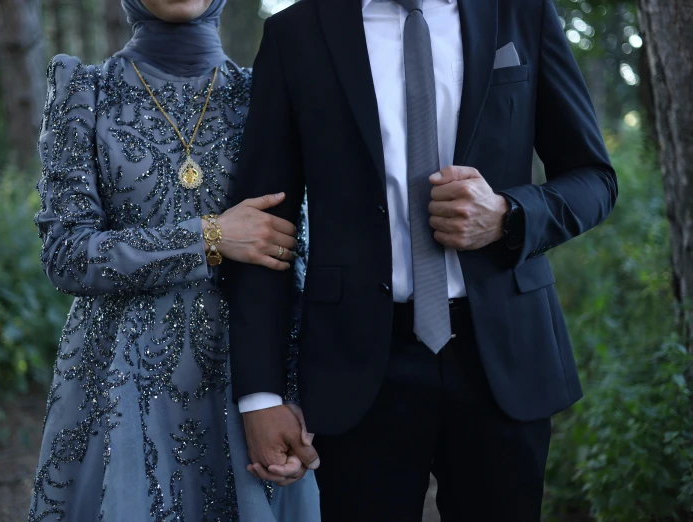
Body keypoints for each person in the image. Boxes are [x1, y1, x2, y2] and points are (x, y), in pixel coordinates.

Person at [228, 0, 618, 520]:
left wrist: (508, 214)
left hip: (502, 355)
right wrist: (260, 393)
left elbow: (595, 178)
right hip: (357, 364)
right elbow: (264, 227)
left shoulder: (522, 13)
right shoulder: (295, 32)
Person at [28, 1, 320, 520]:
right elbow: (67, 253)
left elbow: (292, 261)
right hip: (118, 392)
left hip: (243, 384)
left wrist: (292, 396)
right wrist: (209, 238)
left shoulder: (265, 93)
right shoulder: (84, 90)